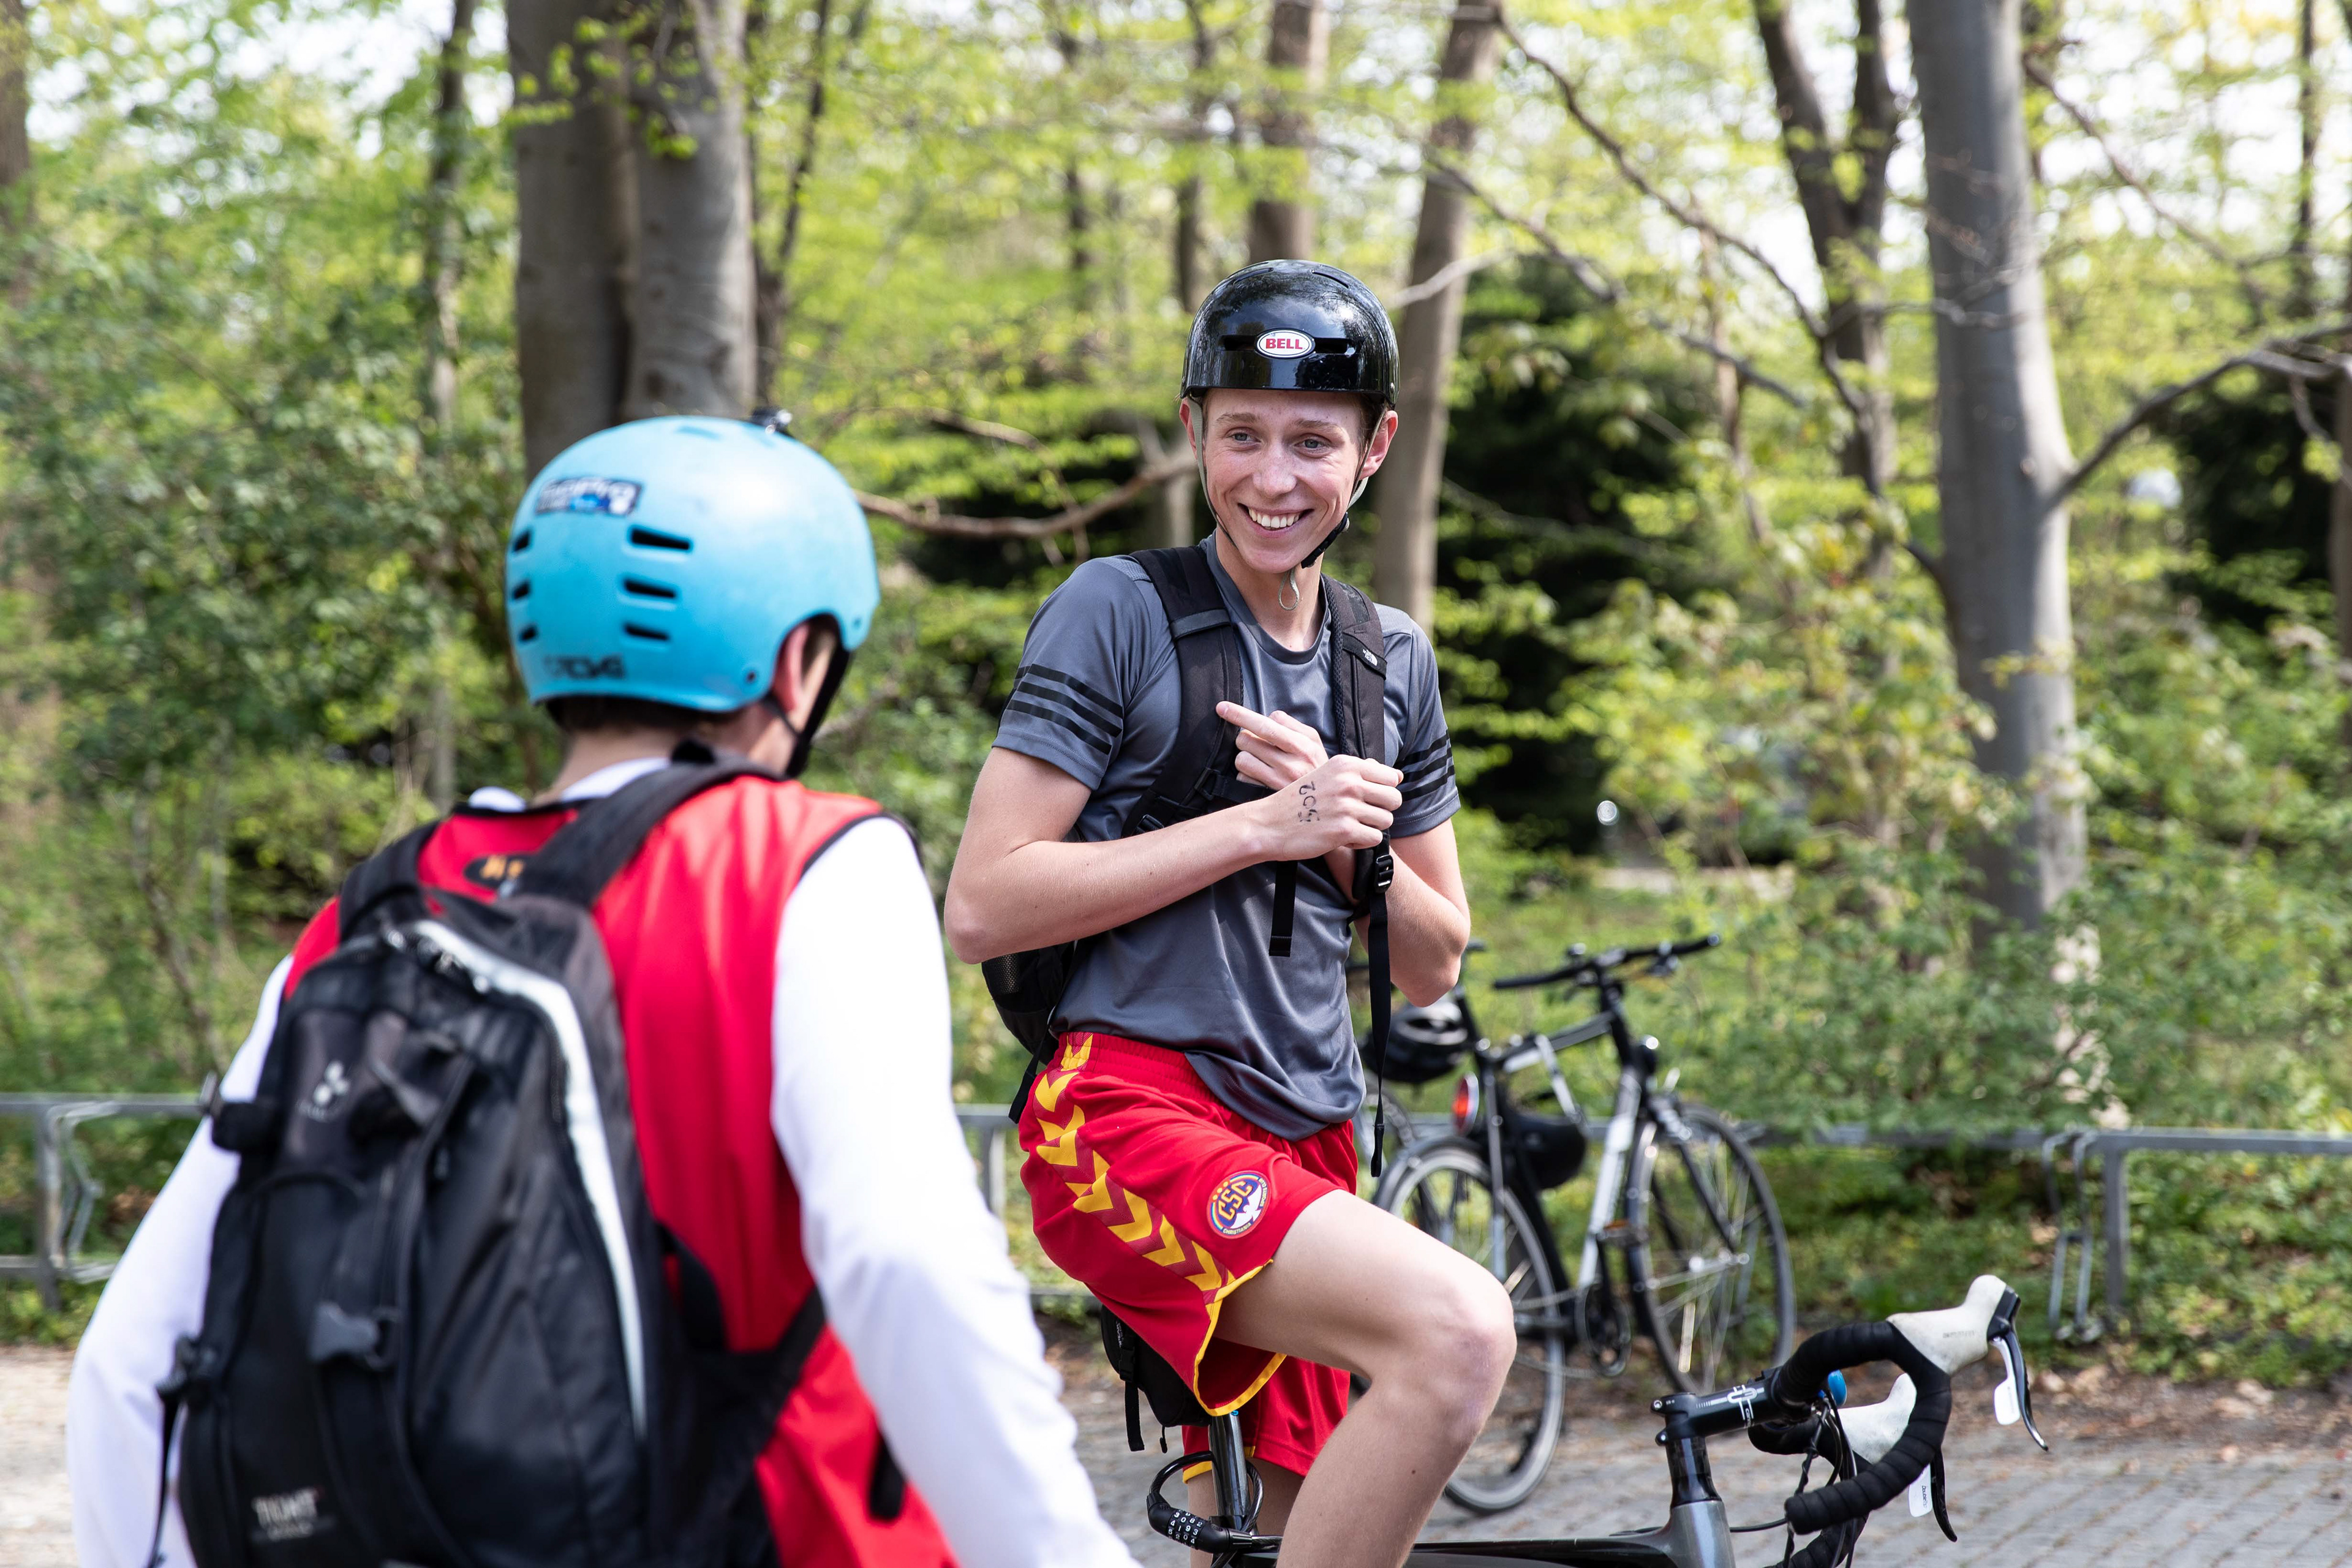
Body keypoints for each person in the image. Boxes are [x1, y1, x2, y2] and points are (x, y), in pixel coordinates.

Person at [69, 415, 1141, 1568]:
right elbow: (906, 1262)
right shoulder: (804, 863)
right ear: (798, 663)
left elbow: (128, 1364)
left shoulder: (373, 909)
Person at [943, 261, 1514, 1568]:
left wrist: (1346, 839)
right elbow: (983, 901)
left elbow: (1435, 961)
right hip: (1127, 1114)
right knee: (1458, 1330)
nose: (1273, 476)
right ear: (1195, 428)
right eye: (1242, 433)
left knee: (1267, 1536)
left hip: (1310, 1137)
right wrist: (1264, 825)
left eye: (1313, 441)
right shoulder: (1120, 610)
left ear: (1374, 448)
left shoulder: (1389, 659)